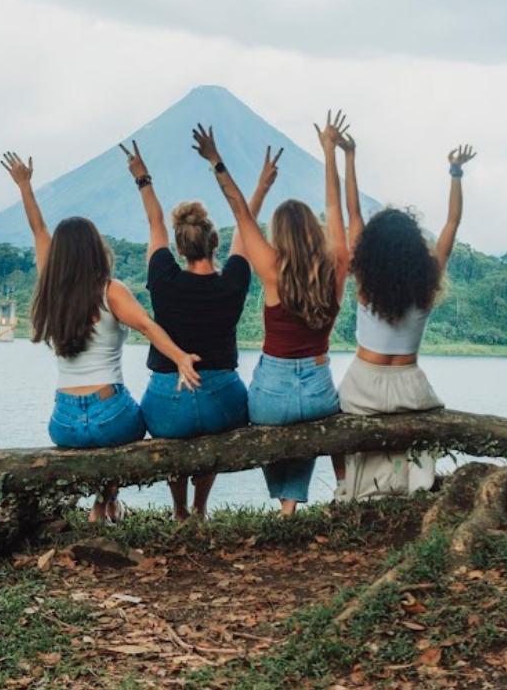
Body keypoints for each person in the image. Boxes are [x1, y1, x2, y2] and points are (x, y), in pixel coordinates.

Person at [1, 151, 201, 523]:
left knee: (105, 431)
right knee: (132, 423)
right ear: (97, 249)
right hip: (111, 414)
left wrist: (25, 186)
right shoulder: (111, 291)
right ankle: (102, 503)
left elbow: (39, 231)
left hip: (63, 423)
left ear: (59, 255)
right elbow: (146, 325)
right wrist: (180, 358)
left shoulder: (51, 288)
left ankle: (105, 504)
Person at [192, 113, 350, 517]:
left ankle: (286, 505)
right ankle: (292, 504)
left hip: (272, 392)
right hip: (318, 389)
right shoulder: (336, 266)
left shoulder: (270, 268)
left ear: (278, 233)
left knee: (272, 412)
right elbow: (336, 210)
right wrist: (329, 153)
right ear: (315, 232)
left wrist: (216, 160)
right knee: (309, 418)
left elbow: (239, 211)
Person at [120, 140, 282, 520]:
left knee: (175, 433)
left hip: (167, 401)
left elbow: (155, 222)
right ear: (215, 243)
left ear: (178, 249)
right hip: (222, 402)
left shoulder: (162, 276)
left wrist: (142, 177)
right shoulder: (235, 280)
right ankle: (200, 506)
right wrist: (261, 186)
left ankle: (179, 510)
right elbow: (246, 226)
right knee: (207, 428)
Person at [335, 134, 476, 501]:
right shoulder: (427, 281)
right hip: (411, 389)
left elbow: (352, 213)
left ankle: (351, 487)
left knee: (337, 421)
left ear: (371, 250)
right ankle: (409, 486)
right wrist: (455, 172)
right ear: (414, 246)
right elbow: (452, 223)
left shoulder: (365, 279)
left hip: (363, 386)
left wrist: (349, 156)